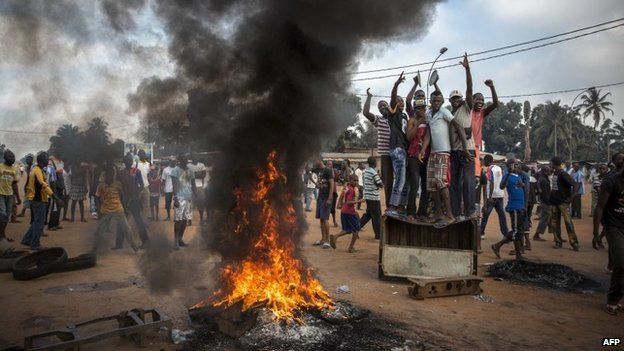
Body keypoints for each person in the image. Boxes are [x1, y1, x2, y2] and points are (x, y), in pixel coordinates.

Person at [421, 90, 469, 226]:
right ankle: (438, 213)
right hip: (433, 153)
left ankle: (450, 215)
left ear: (441, 102)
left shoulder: (444, 112)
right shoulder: (429, 114)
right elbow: (429, 134)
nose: (436, 103)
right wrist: (423, 149)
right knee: (432, 184)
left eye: (438, 100)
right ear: (430, 102)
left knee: (441, 182)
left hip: (444, 152)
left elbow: (458, 126)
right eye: (433, 100)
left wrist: (465, 148)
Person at [592, 160, 624, 315]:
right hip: (614, 226)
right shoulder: (611, 181)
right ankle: (613, 299)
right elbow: (600, 207)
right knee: (621, 263)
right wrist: (596, 233)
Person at [448, 53, 476, 218]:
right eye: (453, 98)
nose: (456, 100)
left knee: (468, 181)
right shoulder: (451, 114)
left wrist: (467, 69)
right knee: (454, 184)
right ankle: (457, 212)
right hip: (455, 151)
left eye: (458, 98)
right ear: (450, 100)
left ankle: (470, 211)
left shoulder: (466, 108)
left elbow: (470, 89)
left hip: (468, 150)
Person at [21, 152, 64, 250]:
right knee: (39, 223)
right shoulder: (37, 171)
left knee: (36, 221)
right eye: (46, 159)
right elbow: (43, 185)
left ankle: (26, 239)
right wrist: (56, 198)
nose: (48, 161)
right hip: (38, 200)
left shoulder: (39, 170)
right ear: (41, 161)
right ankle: (35, 244)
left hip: (38, 199)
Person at [92, 167, 138, 253]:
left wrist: (124, 209)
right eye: (108, 175)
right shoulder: (101, 185)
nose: (109, 177)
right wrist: (98, 211)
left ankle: (133, 245)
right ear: (105, 176)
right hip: (105, 210)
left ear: (113, 176)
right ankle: (94, 248)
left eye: (111, 175)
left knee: (127, 228)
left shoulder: (118, 184)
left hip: (118, 208)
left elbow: (122, 197)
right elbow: (97, 198)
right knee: (99, 230)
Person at [363, 88, 393, 207]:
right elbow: (365, 113)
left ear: (389, 106)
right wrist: (369, 97)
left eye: (384, 106)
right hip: (385, 154)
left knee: (402, 180)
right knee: (387, 181)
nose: (381, 108)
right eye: (380, 107)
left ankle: (400, 206)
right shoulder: (379, 120)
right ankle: (389, 206)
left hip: (399, 152)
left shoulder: (396, 118)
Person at [386, 72, 410, 216]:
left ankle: (401, 206)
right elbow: (393, 98)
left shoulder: (405, 116)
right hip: (396, 149)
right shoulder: (393, 113)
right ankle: (393, 206)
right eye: (398, 100)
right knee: (400, 179)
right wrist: (396, 84)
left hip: (404, 149)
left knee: (405, 181)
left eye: (402, 101)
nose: (400, 102)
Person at [492, 159, 525, 260]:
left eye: (518, 164)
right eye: (515, 165)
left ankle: (497, 246)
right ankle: (518, 255)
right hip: (514, 206)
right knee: (516, 231)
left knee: (519, 231)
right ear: (510, 166)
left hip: (520, 206)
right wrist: (508, 173)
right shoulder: (507, 175)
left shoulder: (518, 176)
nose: (517, 166)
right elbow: (501, 186)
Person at [116, 154, 149, 248]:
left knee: (138, 221)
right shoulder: (120, 173)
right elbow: (118, 186)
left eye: (130, 160)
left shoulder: (136, 171)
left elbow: (142, 185)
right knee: (121, 221)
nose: (129, 162)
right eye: (127, 160)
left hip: (134, 200)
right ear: (124, 161)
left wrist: (136, 195)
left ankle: (145, 241)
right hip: (124, 200)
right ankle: (119, 244)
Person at [550, 156, 580, 251]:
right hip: (554, 202)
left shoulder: (563, 174)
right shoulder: (555, 173)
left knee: (568, 223)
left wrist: (571, 198)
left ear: (554, 164)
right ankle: (558, 242)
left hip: (563, 202)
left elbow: (575, 184)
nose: (550, 165)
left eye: (551, 163)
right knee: (555, 223)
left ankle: (574, 243)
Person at [406, 98, 429, 219]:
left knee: (425, 186)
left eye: (423, 108)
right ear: (415, 110)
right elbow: (409, 137)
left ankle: (422, 212)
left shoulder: (429, 121)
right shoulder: (412, 120)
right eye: (418, 108)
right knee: (414, 184)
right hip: (413, 156)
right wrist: (420, 121)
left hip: (426, 156)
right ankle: (410, 212)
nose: (421, 110)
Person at [330, 175, 364, 253]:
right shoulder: (351, 190)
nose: (356, 182)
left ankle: (335, 237)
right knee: (355, 231)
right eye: (354, 180)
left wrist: (339, 203)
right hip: (349, 212)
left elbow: (342, 196)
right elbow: (348, 202)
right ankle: (351, 247)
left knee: (347, 230)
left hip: (344, 211)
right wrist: (359, 201)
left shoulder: (347, 187)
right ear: (350, 180)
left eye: (357, 180)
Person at [471, 79, 499, 174]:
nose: (480, 101)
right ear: (472, 100)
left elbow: (495, 104)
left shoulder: (482, 113)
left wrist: (492, 87)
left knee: (475, 171)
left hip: (475, 146)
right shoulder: (468, 111)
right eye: (478, 99)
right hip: (465, 144)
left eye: (482, 100)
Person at [480, 154, 508, 241]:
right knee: (501, 215)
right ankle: (505, 233)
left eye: (484, 161)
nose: (483, 162)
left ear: (488, 161)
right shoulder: (499, 168)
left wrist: (490, 196)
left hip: (492, 196)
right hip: (500, 194)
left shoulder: (489, 169)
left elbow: (491, 182)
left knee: (486, 214)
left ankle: (481, 232)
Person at [171, 154, 195, 249]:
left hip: (188, 197)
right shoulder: (175, 170)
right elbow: (174, 185)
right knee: (178, 220)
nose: (185, 160)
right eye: (183, 159)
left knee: (185, 220)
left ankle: (180, 240)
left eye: (186, 159)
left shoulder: (190, 171)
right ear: (179, 160)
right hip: (180, 197)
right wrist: (175, 198)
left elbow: (193, 185)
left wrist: (196, 196)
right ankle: (175, 242)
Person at [359, 156, 383, 239]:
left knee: (368, 215)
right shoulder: (373, 172)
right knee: (376, 216)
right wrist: (380, 177)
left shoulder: (365, 172)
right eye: (376, 162)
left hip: (368, 196)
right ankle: (378, 235)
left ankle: (356, 227)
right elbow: (380, 185)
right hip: (374, 198)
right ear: (374, 163)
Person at [0, 150, 20, 242]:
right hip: (1, 194)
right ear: (5, 158)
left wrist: (18, 197)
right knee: (3, 214)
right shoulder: (0, 167)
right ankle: (2, 236)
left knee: (7, 216)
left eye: (13, 157)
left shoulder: (15, 169)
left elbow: (14, 184)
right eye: (10, 157)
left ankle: (2, 235)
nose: (12, 159)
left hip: (10, 195)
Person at [314, 160, 334, 249]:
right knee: (321, 219)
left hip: (326, 197)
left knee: (325, 218)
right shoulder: (319, 171)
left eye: (315, 160)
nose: (314, 163)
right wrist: (318, 185)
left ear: (319, 160)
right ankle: (323, 239)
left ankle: (327, 241)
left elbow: (332, 184)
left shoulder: (327, 170)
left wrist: (330, 198)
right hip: (320, 197)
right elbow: (321, 184)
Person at [533, 166, 552, 242]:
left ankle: (556, 235)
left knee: (548, 218)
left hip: (545, 201)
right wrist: (549, 202)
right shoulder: (543, 180)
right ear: (546, 171)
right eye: (549, 170)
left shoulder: (543, 178)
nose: (550, 172)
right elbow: (544, 193)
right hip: (545, 202)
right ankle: (537, 234)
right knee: (545, 218)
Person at [17, 154, 34, 220]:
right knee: (27, 198)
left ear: (32, 160)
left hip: (32, 185)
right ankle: (23, 212)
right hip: (28, 185)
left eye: (29, 159)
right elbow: (21, 170)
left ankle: (24, 212)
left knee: (31, 198)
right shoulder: (26, 167)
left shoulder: (34, 167)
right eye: (27, 160)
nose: (27, 161)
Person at [135, 149, 151, 215]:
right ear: (138, 155)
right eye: (140, 154)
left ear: (145, 155)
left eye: (143, 154)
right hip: (137, 188)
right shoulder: (135, 164)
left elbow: (148, 175)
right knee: (136, 205)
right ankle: (138, 222)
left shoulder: (148, 164)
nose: (142, 155)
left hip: (145, 187)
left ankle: (145, 222)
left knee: (146, 206)